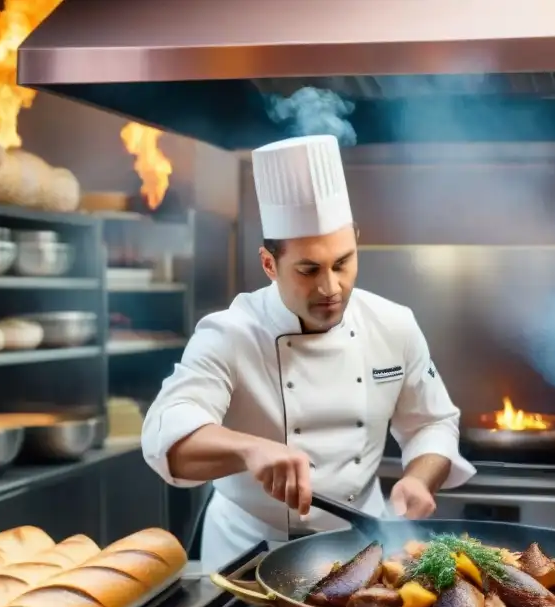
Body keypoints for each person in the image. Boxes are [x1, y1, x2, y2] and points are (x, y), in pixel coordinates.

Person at [142, 134, 475, 569]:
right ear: (269, 264)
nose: (331, 288)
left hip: (363, 548)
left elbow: (433, 423)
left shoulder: (393, 325)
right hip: (248, 553)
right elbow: (166, 436)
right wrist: (249, 449)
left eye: (342, 263)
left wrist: (419, 479)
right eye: (308, 270)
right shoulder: (229, 333)